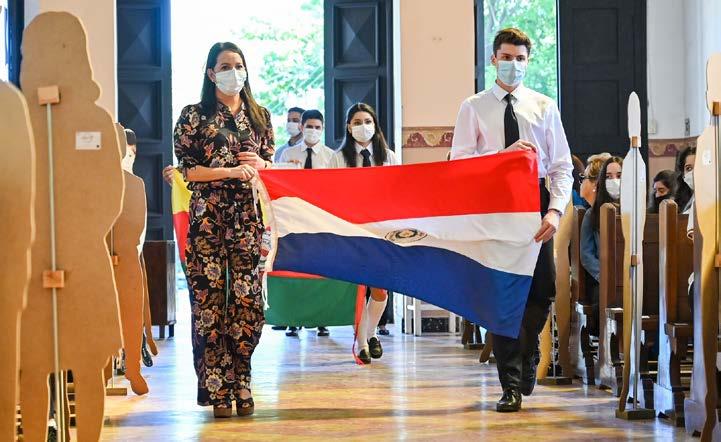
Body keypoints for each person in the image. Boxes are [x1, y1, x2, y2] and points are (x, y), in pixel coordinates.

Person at [450, 28, 573, 412]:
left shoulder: (543, 106)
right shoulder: (473, 107)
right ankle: (511, 384)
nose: (513, 64)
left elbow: (562, 167)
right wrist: (502, 157)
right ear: (494, 59)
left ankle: (528, 349)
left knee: (542, 289)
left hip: (535, 202)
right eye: (507, 57)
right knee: (501, 294)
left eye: (520, 59)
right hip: (494, 205)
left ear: (527, 62)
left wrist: (555, 210)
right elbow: (459, 163)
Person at [173, 42, 273, 418]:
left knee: (248, 302)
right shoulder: (194, 115)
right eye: (226, 66)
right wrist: (230, 171)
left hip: (248, 219)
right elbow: (188, 170)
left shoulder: (260, 116)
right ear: (211, 73)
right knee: (209, 305)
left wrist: (260, 164)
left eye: (238, 65)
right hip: (208, 220)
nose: (234, 72)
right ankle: (217, 388)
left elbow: (270, 167)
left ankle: (242, 379)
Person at [329, 102, 399, 364]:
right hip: (351, 231)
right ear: (349, 127)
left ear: (375, 125)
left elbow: (399, 191)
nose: (363, 127)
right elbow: (330, 195)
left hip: (382, 231)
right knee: (358, 290)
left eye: (367, 121)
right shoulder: (338, 159)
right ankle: (361, 344)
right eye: (357, 122)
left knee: (380, 290)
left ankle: (370, 334)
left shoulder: (389, 157)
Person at [279, 109, 335, 337]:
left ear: (323, 129)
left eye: (317, 127)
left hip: (321, 220)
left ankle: (321, 319)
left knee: (321, 270)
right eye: (309, 126)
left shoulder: (331, 156)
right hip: (295, 219)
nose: (313, 130)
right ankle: (294, 320)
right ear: (301, 128)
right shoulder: (287, 154)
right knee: (296, 269)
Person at [579, 156, 622, 336]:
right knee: (603, 297)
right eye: (609, 177)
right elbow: (586, 254)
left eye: (619, 175)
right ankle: (606, 339)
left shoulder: (635, 211)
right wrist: (604, 275)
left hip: (629, 275)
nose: (614, 181)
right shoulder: (592, 214)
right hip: (601, 277)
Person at [675, 146, 696, 214]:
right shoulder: (680, 200)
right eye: (688, 168)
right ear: (683, 174)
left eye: (697, 167)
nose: (693, 172)